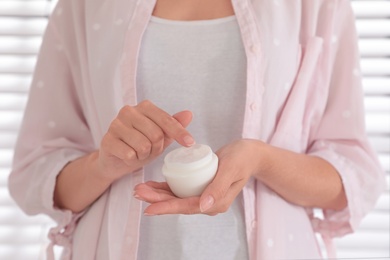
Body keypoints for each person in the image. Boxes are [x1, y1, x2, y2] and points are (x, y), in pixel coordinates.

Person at [8, 0, 386, 259]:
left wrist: (261, 160)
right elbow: (34, 174)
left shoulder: (315, 6)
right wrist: (104, 165)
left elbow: (352, 179)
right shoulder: (85, 8)